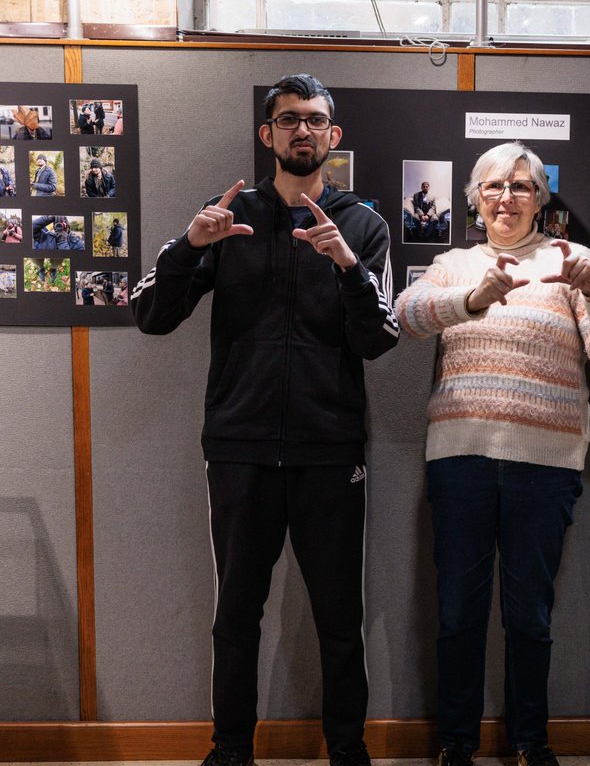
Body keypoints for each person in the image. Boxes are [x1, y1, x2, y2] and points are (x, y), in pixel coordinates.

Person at [130, 73, 398, 766]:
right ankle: (229, 750)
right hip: (240, 447)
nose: (301, 131)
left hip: (330, 450)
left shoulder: (363, 225)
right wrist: (191, 244)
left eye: (313, 120)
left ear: (333, 136)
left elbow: (379, 339)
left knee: (341, 620)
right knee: (235, 618)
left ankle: (347, 750)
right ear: (267, 134)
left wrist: (346, 267)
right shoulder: (227, 214)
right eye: (287, 120)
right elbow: (152, 317)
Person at [395, 141, 590, 766]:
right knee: (458, 613)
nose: (508, 197)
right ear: (476, 199)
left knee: (531, 615)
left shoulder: (570, 260)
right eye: (495, 186)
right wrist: (473, 298)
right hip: (460, 461)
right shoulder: (453, 262)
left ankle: (531, 740)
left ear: (541, 198)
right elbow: (407, 315)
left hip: (546, 466)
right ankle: (457, 743)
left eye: (523, 186)